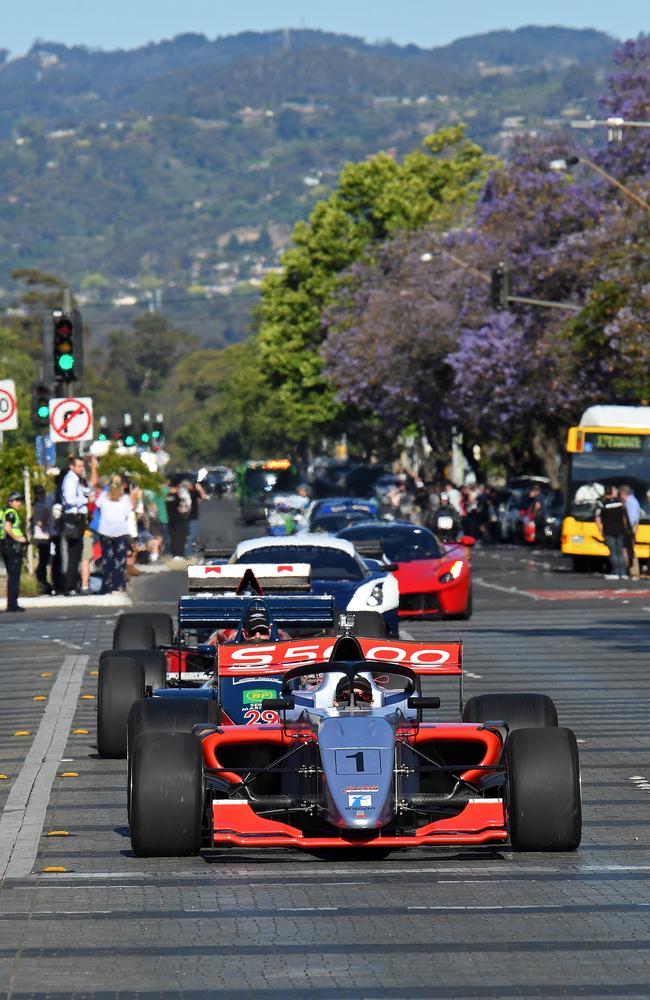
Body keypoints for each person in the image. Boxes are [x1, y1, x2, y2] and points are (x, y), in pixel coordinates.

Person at [60, 456, 97, 595]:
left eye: (83, 466)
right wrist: (85, 500)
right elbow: (69, 500)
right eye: (79, 466)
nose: (82, 469)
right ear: (72, 466)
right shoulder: (70, 479)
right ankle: (70, 586)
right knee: (74, 553)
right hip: (73, 517)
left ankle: (73, 584)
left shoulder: (77, 480)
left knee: (77, 551)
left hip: (80, 517)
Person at [95, 475, 138, 593]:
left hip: (105, 531)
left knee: (107, 560)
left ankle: (107, 585)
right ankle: (118, 584)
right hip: (119, 532)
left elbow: (97, 507)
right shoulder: (124, 499)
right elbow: (128, 513)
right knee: (119, 560)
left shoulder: (104, 496)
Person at [595, 485, 630, 580]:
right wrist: (626, 528)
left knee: (613, 552)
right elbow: (624, 518)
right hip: (620, 530)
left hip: (608, 531)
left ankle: (615, 572)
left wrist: (600, 530)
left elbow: (597, 519)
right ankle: (623, 573)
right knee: (620, 551)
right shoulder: (619, 502)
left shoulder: (602, 504)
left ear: (605, 493)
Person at [1, 492, 28, 612]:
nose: (19, 503)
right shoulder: (11, 513)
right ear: (10, 502)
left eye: (20, 500)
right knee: (14, 576)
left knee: (12, 576)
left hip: (5, 545)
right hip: (12, 546)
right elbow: (8, 528)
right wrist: (18, 538)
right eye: (16, 500)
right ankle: (12, 605)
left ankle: (12, 604)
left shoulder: (4, 511)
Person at [31, 484, 53, 594]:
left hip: (41, 534)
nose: (42, 495)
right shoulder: (41, 505)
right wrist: (44, 522)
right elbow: (45, 516)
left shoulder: (37, 504)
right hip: (43, 535)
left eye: (42, 493)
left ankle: (42, 580)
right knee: (44, 560)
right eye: (39, 493)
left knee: (43, 560)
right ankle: (42, 581)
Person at [619, 485, 641, 579]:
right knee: (630, 550)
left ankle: (633, 571)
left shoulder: (630, 502)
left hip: (630, 528)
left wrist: (628, 528)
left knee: (630, 550)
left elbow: (632, 517)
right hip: (631, 527)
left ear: (624, 493)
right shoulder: (632, 500)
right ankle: (632, 570)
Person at [165, 480, 190, 558]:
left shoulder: (168, 496)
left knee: (173, 538)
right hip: (178, 520)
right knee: (180, 538)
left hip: (170, 520)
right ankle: (180, 554)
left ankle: (174, 554)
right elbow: (181, 509)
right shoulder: (177, 497)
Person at [185, 479, 207, 557]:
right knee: (191, 536)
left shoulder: (183, 493)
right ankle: (188, 554)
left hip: (184, 517)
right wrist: (200, 489)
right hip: (192, 517)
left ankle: (187, 552)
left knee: (186, 536)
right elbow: (204, 497)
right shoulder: (194, 492)